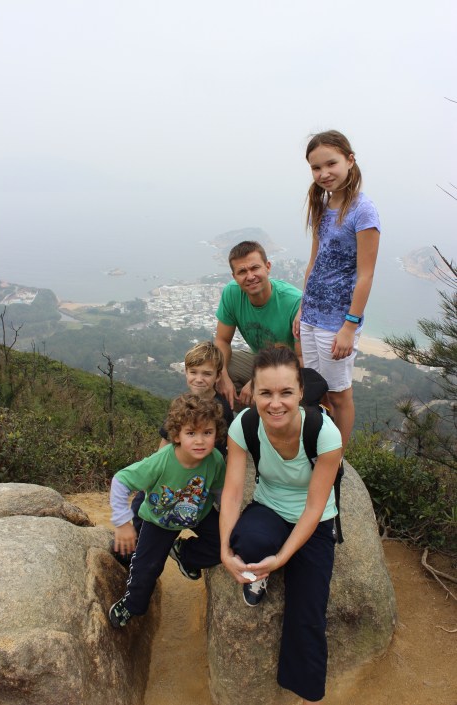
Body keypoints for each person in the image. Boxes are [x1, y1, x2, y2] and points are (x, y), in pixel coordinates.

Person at [219, 346, 342, 703]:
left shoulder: (324, 434)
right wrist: (225, 550)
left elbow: (315, 508)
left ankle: (304, 692)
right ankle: (259, 568)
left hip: (315, 519)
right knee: (247, 543)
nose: (275, 403)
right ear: (253, 393)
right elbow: (232, 493)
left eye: (286, 392)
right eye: (266, 393)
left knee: (308, 612)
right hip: (269, 505)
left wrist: (282, 558)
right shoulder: (245, 425)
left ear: (301, 391)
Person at [293, 130, 380, 451]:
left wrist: (350, 326)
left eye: (331, 164)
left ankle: (336, 458)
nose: (324, 173)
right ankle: (318, 446)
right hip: (312, 315)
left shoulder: (363, 211)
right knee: (315, 389)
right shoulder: (322, 204)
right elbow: (314, 263)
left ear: (349, 160)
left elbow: (366, 275)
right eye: (316, 168)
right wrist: (302, 308)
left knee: (340, 395)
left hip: (337, 321)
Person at [108, 393, 226, 628]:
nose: (200, 441)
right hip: (160, 519)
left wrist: (227, 516)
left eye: (207, 432)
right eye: (191, 433)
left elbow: (219, 489)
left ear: (216, 433)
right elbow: (121, 480)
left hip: (198, 513)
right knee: (147, 568)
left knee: (226, 543)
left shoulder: (215, 460)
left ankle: (183, 553)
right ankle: (132, 604)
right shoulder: (162, 460)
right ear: (177, 435)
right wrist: (122, 523)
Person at [129, 341, 234, 538]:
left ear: (218, 376)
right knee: (140, 504)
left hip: (197, 480)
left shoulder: (222, 410)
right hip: (173, 472)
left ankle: (181, 550)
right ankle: (133, 547)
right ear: (186, 372)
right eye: (193, 372)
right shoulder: (184, 404)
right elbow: (166, 441)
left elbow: (221, 453)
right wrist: (156, 473)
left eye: (206, 374)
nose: (199, 379)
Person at [215, 240, 302, 409]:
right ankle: (247, 420)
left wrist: (258, 380)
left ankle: (278, 415)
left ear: (267, 267)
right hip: (261, 360)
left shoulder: (293, 302)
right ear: (234, 277)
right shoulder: (231, 293)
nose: (250, 276)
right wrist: (222, 376)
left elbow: (301, 360)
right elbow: (222, 341)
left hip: (292, 368)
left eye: (255, 268)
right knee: (213, 369)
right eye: (242, 271)